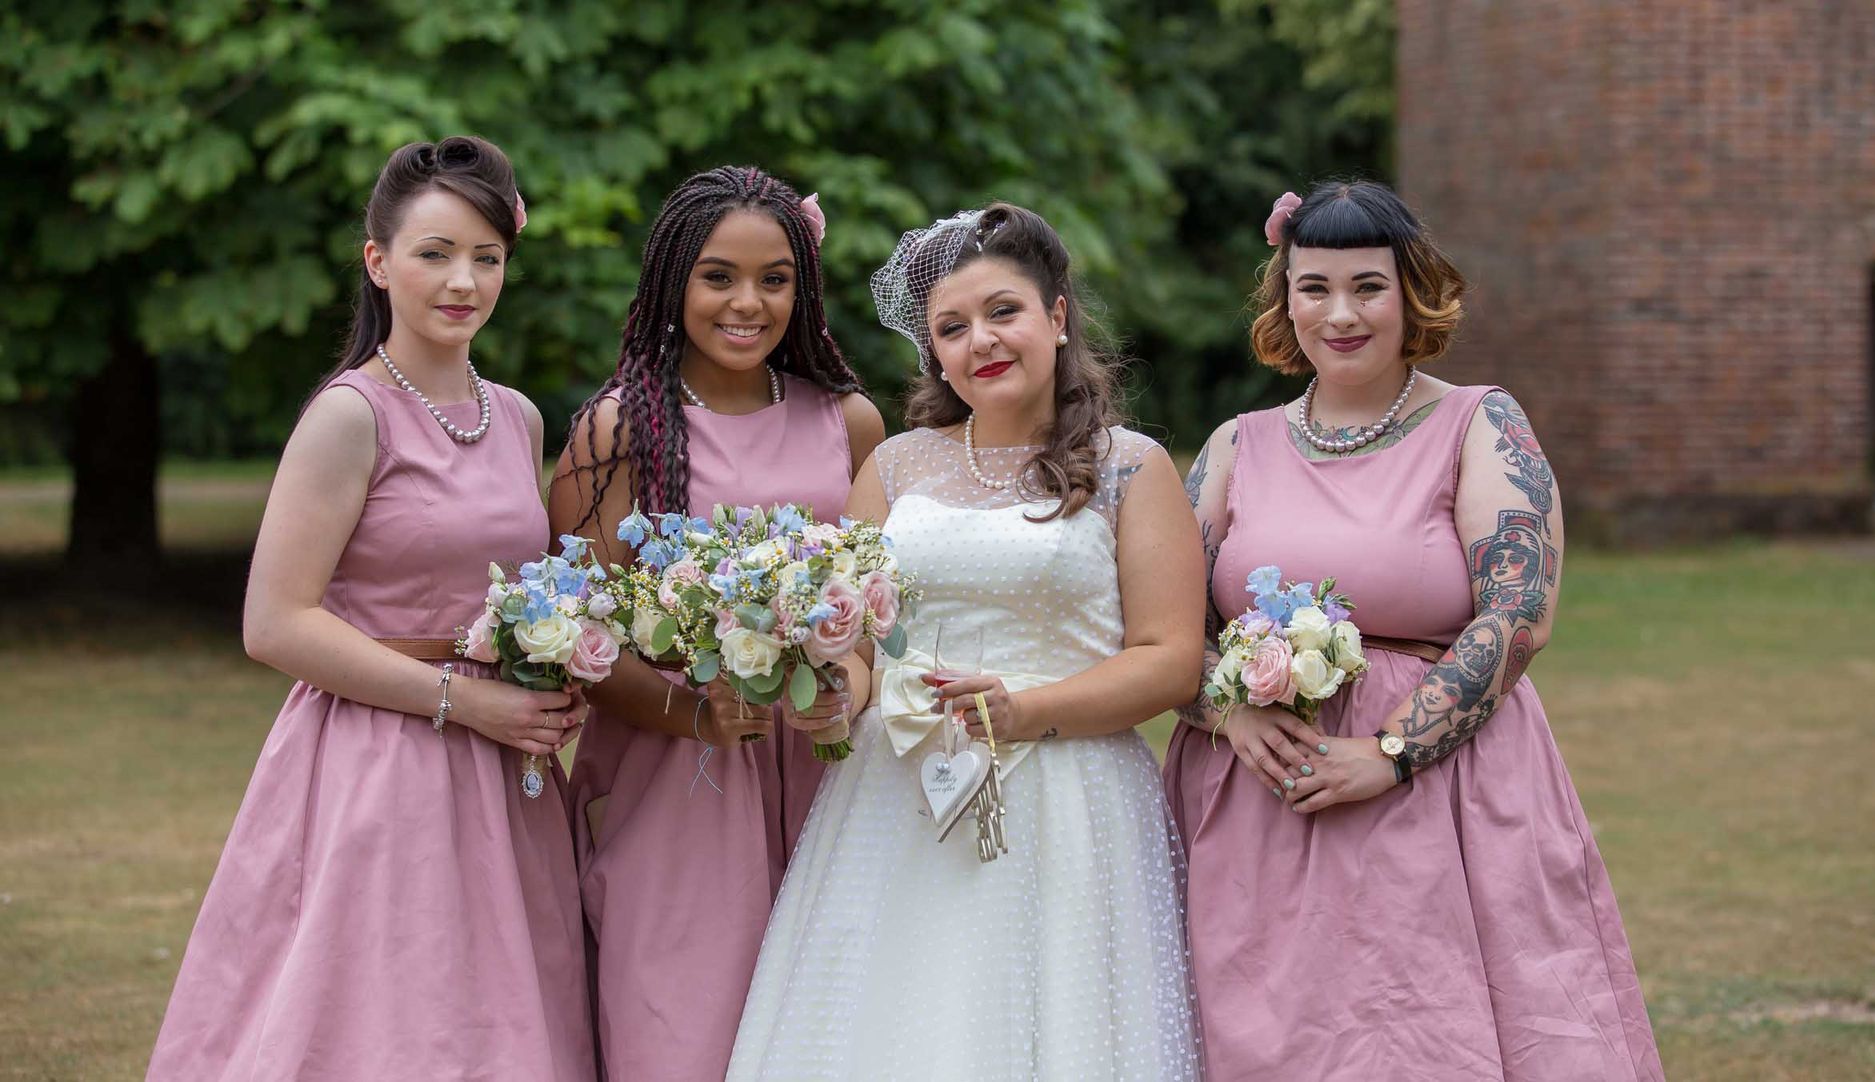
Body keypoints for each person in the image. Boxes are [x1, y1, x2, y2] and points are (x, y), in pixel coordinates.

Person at [1164, 180, 1663, 1080]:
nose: (1340, 313)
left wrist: (1389, 752)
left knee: (1421, 1040)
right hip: (1257, 805)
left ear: (1413, 293)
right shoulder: (1236, 445)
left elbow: (1518, 615)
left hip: (1442, 797)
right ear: (1286, 300)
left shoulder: (1481, 423)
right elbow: (1168, 632)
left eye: (1368, 286)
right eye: (1314, 288)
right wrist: (1229, 713)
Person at [148, 136, 594, 1080]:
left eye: (487, 256)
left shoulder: (515, 416)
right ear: (378, 261)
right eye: (435, 253)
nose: (463, 280)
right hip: (377, 760)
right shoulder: (349, 416)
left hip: (504, 768)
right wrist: (460, 699)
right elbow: (274, 622)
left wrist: (553, 668)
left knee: (499, 1018)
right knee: (389, 1016)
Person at [728, 203, 1204, 1080]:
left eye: (1003, 312)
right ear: (933, 350)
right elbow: (862, 640)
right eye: (952, 327)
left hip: (1068, 797)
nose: (980, 340)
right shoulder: (897, 466)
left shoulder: (1133, 466)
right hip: (896, 785)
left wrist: (1026, 710)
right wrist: (837, 687)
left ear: (1057, 317)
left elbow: (1170, 658)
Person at [546, 166, 884, 1080]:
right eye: (718, 276)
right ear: (672, 283)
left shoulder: (849, 423)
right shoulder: (619, 431)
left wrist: (845, 689)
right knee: (679, 1037)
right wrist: (688, 712)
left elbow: (876, 619)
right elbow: (576, 638)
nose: (748, 302)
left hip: (826, 780)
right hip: (676, 781)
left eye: (775, 278)